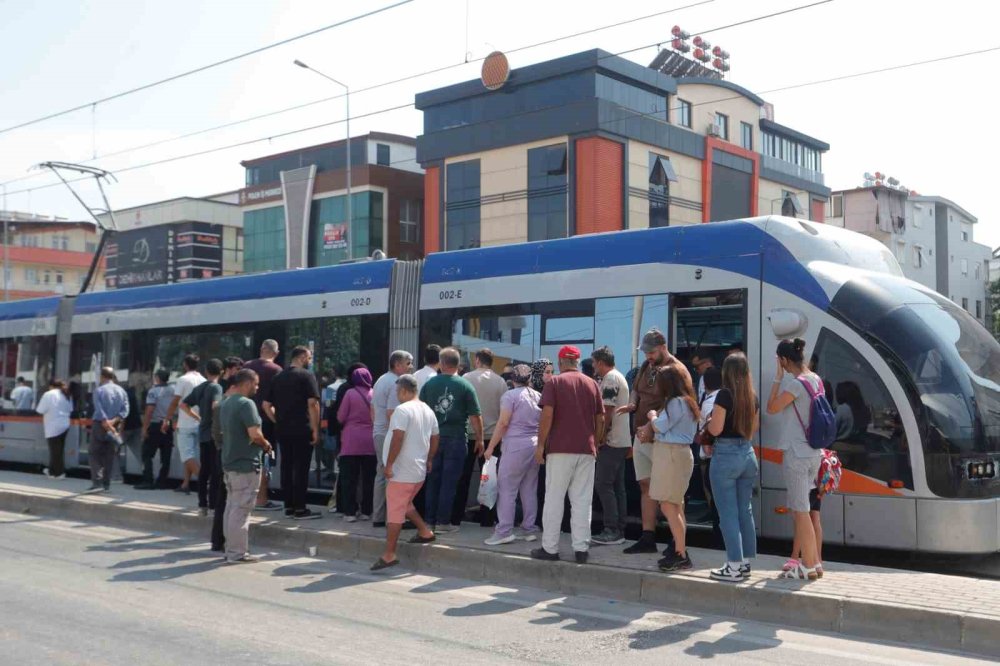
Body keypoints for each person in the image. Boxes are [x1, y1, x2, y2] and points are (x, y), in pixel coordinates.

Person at [617, 328, 693, 555]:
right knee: (645, 486)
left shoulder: (677, 370)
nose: (647, 356)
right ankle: (648, 536)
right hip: (642, 436)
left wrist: (651, 426)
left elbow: (675, 404)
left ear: (663, 347)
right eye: (645, 352)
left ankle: (677, 543)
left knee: (671, 494)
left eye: (651, 352)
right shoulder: (646, 366)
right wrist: (632, 404)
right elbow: (637, 391)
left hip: (661, 439)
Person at [530, 346, 604, 564]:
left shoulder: (554, 382)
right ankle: (581, 549)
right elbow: (601, 418)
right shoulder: (592, 384)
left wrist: (540, 445)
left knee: (554, 499)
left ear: (561, 362)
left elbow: (548, 414)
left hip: (560, 450)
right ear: (578, 362)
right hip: (586, 450)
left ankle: (550, 548)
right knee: (582, 501)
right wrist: (596, 442)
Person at [767, 337, 824, 581]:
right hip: (814, 453)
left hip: (797, 454)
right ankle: (815, 564)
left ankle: (809, 566)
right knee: (806, 510)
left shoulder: (796, 385)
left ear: (783, 360)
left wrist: (778, 378)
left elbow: (772, 407)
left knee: (800, 512)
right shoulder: (815, 379)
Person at [371, 374, 439, 570]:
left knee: (394, 514)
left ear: (403, 390)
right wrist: (430, 459)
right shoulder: (427, 410)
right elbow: (436, 437)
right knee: (405, 504)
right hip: (418, 471)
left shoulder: (402, 410)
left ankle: (389, 554)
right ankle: (425, 532)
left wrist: (389, 464)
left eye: (397, 392)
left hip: (402, 471)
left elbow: (397, 438)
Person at [704, 352, 759, 582]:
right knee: (744, 510)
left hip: (725, 456)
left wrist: (708, 421)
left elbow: (715, 430)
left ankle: (733, 567)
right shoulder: (752, 396)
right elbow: (752, 430)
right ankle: (745, 563)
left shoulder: (724, 395)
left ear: (727, 372)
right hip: (747, 454)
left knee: (727, 513)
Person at [419, 347, 483, 533]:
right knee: (449, 482)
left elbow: (420, 411)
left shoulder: (429, 385)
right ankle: (443, 522)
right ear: (458, 364)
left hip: (432, 439)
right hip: (456, 439)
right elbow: (475, 416)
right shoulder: (465, 385)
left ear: (441, 363)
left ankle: (429, 520)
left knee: (432, 480)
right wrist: (479, 439)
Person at [647, 365, 699, 571]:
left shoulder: (676, 403)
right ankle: (680, 550)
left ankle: (681, 553)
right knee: (675, 505)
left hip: (671, 454)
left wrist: (652, 416)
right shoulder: (688, 401)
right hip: (679, 454)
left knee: (668, 505)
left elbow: (660, 426)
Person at [483, 364, 541, 546]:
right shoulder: (538, 396)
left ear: (513, 379)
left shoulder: (510, 396)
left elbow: (503, 423)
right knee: (529, 489)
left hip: (515, 446)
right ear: (530, 379)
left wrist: (490, 447)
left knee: (507, 489)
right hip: (534, 445)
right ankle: (529, 529)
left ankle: (504, 531)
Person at [220, 368, 274, 564]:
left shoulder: (226, 403)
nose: (257, 388)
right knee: (241, 510)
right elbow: (254, 434)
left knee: (231, 507)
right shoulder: (246, 404)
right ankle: (237, 553)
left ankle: (230, 549)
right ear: (248, 383)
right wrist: (266, 444)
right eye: (256, 383)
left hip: (230, 462)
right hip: (246, 464)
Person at [264, 345, 321, 520]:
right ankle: (300, 508)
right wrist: (315, 429)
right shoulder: (306, 376)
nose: (309, 361)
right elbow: (313, 404)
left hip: (283, 430)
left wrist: (277, 420)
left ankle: (288, 506)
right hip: (302, 429)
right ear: (302, 357)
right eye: (309, 358)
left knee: (286, 467)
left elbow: (266, 405)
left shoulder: (278, 377)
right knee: (301, 469)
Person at [454, 348, 507, 527]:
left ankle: (456, 516)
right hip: (492, 438)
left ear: (477, 360)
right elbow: (504, 413)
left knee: (463, 477)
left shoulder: (466, 379)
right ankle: (487, 518)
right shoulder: (500, 382)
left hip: (469, 435)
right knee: (489, 479)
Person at [590, 346, 631, 546]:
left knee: (603, 483)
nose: (593, 367)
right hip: (620, 440)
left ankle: (611, 529)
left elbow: (607, 411)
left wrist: (600, 436)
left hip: (612, 440)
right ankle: (619, 529)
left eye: (594, 362)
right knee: (616, 486)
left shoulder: (611, 379)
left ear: (599, 361)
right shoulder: (616, 377)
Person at [371, 350, 414, 527]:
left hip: (380, 433)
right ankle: (396, 518)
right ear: (397, 364)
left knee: (382, 474)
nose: (411, 367)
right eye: (408, 363)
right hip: (388, 435)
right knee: (393, 476)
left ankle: (379, 517)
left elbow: (373, 409)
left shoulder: (381, 379)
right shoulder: (395, 382)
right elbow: (392, 414)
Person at [182, 358, 225, 517]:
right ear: (222, 372)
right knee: (215, 471)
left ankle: (202, 505)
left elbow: (183, 405)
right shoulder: (217, 387)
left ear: (206, 371)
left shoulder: (200, 388)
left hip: (203, 433)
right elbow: (216, 406)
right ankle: (213, 504)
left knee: (204, 470)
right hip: (214, 435)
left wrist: (198, 418)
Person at [244, 340, 283, 511]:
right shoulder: (276, 371)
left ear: (261, 349)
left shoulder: (246, 367)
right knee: (265, 459)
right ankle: (261, 499)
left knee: (248, 459)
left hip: (244, 420)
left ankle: (246, 497)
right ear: (276, 353)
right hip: (265, 421)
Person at [337, 367, 377, 522]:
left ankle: (350, 512)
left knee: (349, 478)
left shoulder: (350, 393)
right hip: (370, 441)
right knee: (369, 478)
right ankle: (367, 511)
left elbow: (341, 417)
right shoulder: (374, 394)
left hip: (350, 441)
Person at [163, 354, 205, 494]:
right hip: (199, 422)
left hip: (186, 423)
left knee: (187, 456)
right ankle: (185, 484)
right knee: (192, 455)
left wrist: (167, 419)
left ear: (185, 365)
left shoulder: (183, 379)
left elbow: (176, 401)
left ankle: (208, 484)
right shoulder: (203, 380)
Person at [211, 374, 241, 552]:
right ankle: (226, 540)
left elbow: (216, 435)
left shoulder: (220, 405)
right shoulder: (229, 406)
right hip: (229, 456)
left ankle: (218, 540)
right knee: (228, 499)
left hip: (221, 453)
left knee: (223, 499)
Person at [88, 367, 129, 493]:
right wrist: (114, 421)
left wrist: (106, 422)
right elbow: (125, 410)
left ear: (102, 376)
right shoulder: (122, 391)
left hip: (100, 425)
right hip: (114, 426)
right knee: (109, 455)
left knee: (94, 453)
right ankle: (106, 485)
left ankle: (97, 483)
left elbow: (99, 410)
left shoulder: (99, 390)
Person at [136, 369, 175, 489]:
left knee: (146, 454)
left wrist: (144, 427)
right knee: (166, 455)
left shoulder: (153, 391)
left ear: (157, 377)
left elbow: (150, 410)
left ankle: (148, 480)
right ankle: (162, 482)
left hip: (155, 426)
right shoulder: (173, 390)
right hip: (168, 425)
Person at [37, 379, 72, 479]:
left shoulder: (48, 394)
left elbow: (40, 410)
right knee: (59, 450)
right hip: (65, 424)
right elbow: (70, 409)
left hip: (53, 426)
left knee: (55, 451)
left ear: (51, 386)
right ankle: (51, 471)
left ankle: (59, 473)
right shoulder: (66, 394)